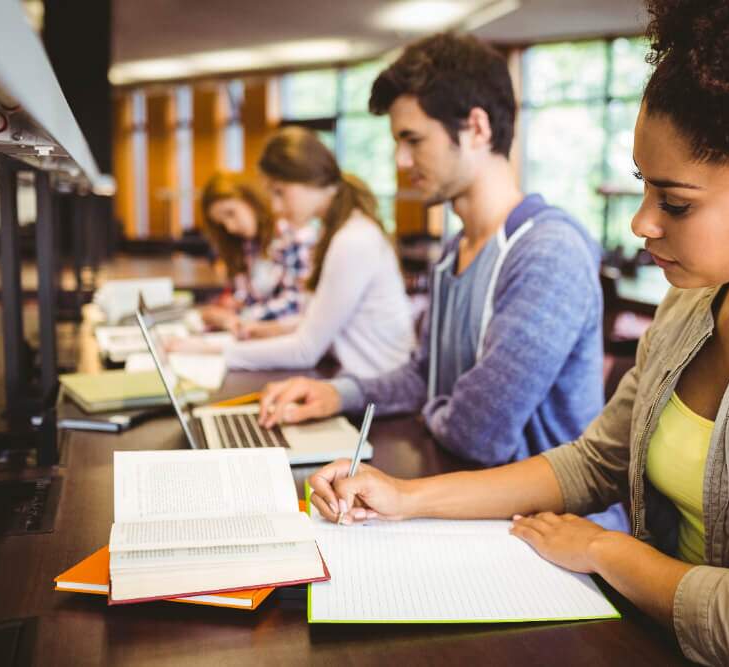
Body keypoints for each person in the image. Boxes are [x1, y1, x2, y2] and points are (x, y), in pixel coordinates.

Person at [302, 2, 729, 664]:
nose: (642, 223)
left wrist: (602, 548)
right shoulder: (695, 302)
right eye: (643, 189)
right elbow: (593, 462)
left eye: (675, 203)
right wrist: (404, 496)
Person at [259, 33, 616, 525]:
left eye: (413, 140)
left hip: (550, 536)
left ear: (475, 128)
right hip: (473, 511)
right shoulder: (455, 251)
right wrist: (338, 393)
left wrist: (435, 408)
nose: (401, 162)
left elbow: (479, 434)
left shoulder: (546, 252)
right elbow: (423, 378)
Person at [176, 126, 415, 378]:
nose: (277, 207)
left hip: (376, 392)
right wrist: (272, 329)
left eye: (280, 192)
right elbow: (324, 319)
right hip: (355, 379)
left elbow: (305, 351)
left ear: (309, 177)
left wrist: (211, 351)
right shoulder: (339, 231)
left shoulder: (352, 240)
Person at [196, 172, 315, 335]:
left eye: (231, 213)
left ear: (251, 200)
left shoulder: (295, 237)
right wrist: (227, 308)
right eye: (222, 224)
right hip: (258, 338)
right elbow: (250, 298)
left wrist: (238, 317)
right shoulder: (247, 245)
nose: (230, 227)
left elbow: (295, 305)